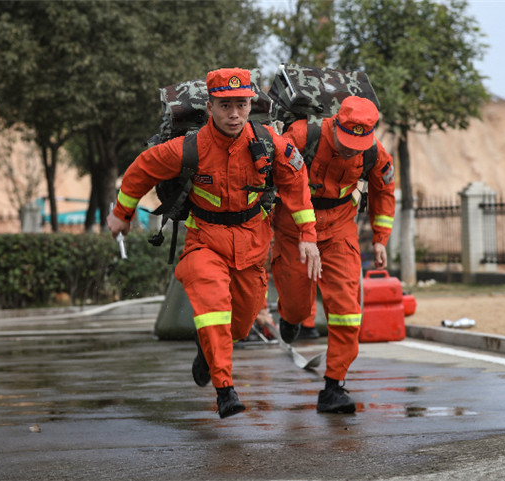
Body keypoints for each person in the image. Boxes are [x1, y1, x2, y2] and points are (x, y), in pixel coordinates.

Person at [107, 67, 320, 419]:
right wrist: (121, 213)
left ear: (250, 105)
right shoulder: (189, 148)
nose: (234, 114)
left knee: (239, 325)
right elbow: (141, 169)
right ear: (210, 107)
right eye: (225, 106)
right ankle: (225, 389)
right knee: (213, 307)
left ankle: (206, 350)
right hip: (205, 241)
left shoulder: (270, 143)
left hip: (252, 243)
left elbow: (296, 182)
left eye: (241, 104)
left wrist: (308, 237)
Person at [271, 96, 396, 413]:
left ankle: (334, 386)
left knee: (347, 310)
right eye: (347, 142)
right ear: (336, 123)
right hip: (294, 229)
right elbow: (274, 174)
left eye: (359, 145)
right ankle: (290, 317)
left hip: (339, 229)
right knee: (298, 305)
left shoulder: (373, 151)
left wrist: (380, 239)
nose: (352, 150)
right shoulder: (303, 135)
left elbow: (384, 189)